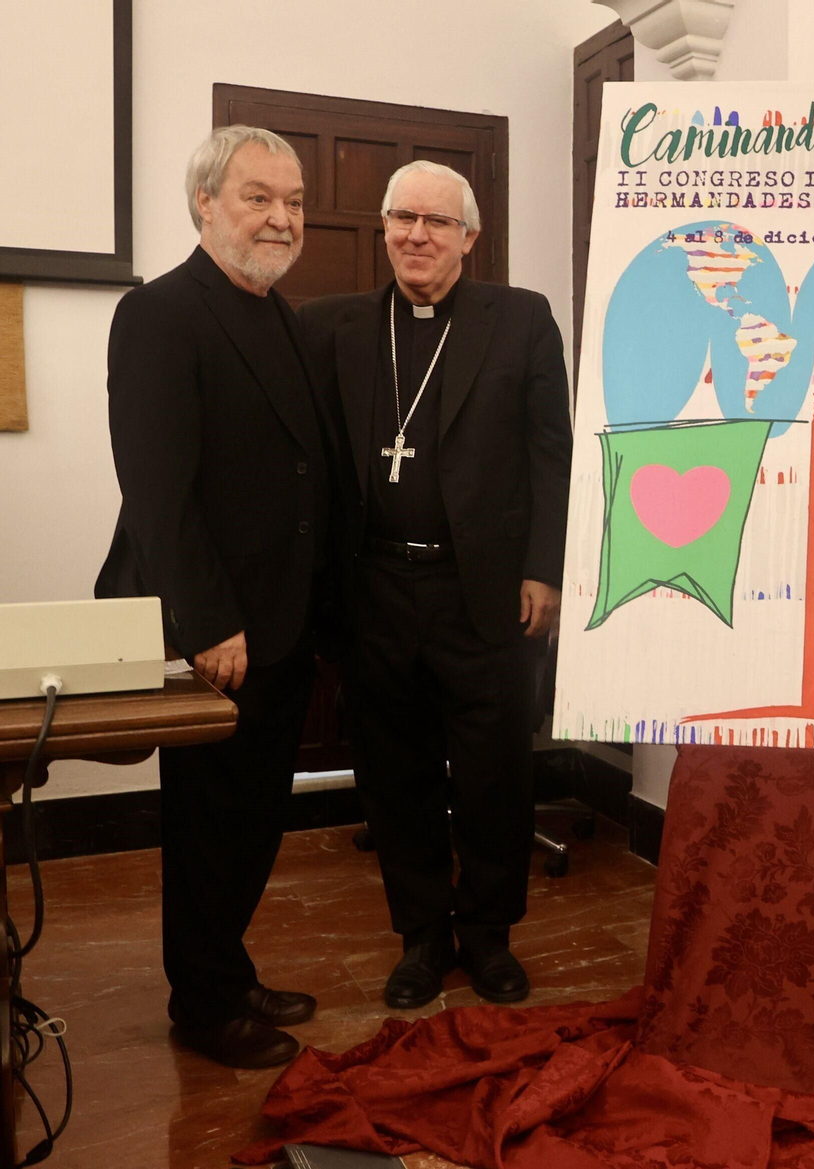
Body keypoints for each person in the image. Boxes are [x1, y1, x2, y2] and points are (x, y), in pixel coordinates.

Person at [300, 161, 571, 1010]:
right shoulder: (333, 326)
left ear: (470, 236)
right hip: (376, 584)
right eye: (402, 218)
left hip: (482, 588)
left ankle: (488, 935)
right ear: (383, 226)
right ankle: (422, 935)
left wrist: (545, 568)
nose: (416, 235)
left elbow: (549, 454)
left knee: (494, 770)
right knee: (395, 769)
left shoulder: (521, 320)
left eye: (436, 222)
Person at [96, 126, 331, 1068]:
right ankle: (201, 1004)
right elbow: (157, 488)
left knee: (253, 816)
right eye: (258, 197)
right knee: (207, 825)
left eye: (295, 201)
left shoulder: (286, 318)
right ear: (204, 203)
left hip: (285, 621)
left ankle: (227, 968)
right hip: (219, 631)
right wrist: (207, 621)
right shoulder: (158, 313)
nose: (282, 218)